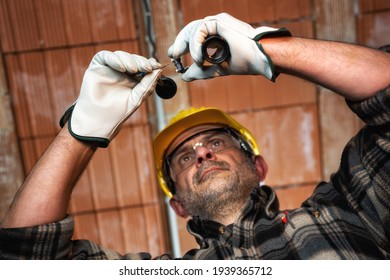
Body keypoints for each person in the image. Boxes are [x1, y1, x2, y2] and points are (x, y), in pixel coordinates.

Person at [0, 13, 389, 260]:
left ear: (258, 165)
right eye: (183, 158)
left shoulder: (348, 210)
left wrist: (268, 49)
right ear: (178, 206)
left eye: (216, 142)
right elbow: (24, 262)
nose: (201, 154)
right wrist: (82, 130)